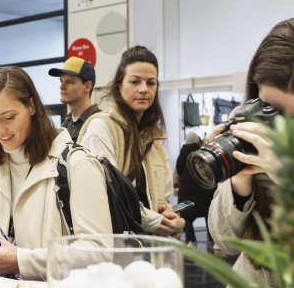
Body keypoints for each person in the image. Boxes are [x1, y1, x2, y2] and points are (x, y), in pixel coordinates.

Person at [0, 66, 112, 280]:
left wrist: (22, 260)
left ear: (32, 106)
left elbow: (99, 253)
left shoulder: (77, 164)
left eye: (8, 117)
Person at [208, 18, 294, 288]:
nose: (278, 125)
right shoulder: (249, 125)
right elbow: (223, 240)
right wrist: (240, 183)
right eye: (271, 110)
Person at [77, 45, 185, 236]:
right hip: (115, 249)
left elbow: (162, 198)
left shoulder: (154, 137)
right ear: (119, 86)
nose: (144, 89)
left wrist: (169, 216)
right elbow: (108, 193)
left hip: (150, 250)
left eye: (151, 83)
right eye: (135, 81)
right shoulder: (101, 128)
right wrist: (155, 221)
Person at [175, 131, 215, 246]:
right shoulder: (202, 152)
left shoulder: (182, 154)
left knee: (187, 218)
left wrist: (177, 186)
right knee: (209, 216)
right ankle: (214, 241)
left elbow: (178, 171)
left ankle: (190, 241)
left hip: (187, 193)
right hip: (204, 191)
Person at [48, 56, 100, 142]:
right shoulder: (65, 125)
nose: (61, 86)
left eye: (69, 82)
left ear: (87, 86)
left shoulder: (100, 123)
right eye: (61, 81)